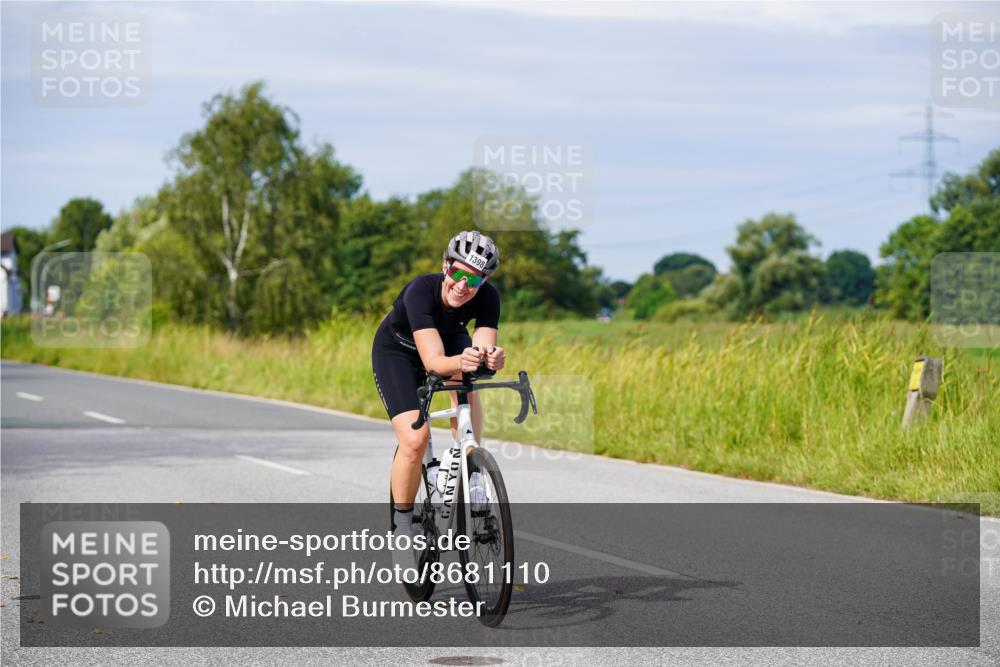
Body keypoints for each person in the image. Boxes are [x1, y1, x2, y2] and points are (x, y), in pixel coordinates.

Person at [371, 231, 505, 563]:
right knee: (415, 440)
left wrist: (491, 359)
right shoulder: (420, 290)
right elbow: (433, 362)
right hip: (399, 353)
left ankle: (472, 470)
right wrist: (464, 361)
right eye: (458, 273)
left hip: (448, 340)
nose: (463, 285)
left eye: (474, 280)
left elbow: (482, 349)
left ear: (484, 282)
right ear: (446, 266)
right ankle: (402, 525)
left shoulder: (488, 298)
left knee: (468, 380)